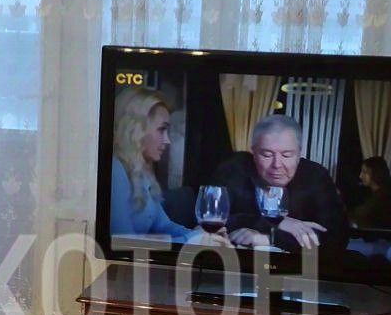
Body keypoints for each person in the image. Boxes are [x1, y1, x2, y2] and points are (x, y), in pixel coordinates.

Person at [212, 114, 349, 253]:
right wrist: (275, 222)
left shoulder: (315, 176)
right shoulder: (234, 169)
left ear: (299, 154)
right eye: (267, 155)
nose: (277, 165)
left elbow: (336, 236)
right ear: (253, 152)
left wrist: (270, 238)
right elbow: (211, 218)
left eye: (286, 155)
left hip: (296, 264)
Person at [110, 86, 225, 245]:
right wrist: (192, 240)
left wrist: (202, 236)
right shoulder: (115, 169)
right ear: (136, 129)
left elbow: (164, 226)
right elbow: (123, 243)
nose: (167, 140)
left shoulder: (142, 172)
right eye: (161, 130)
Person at [349, 156, 391, 230]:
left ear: (376, 173)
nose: (360, 176)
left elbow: (362, 216)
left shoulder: (384, 198)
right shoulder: (373, 194)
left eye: (365, 172)